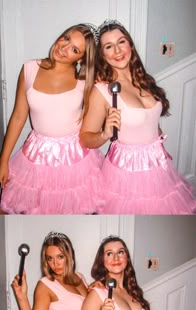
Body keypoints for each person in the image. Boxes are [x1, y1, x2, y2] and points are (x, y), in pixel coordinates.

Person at [0, 24, 104, 214]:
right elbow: (17, 118)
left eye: (74, 49)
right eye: (66, 39)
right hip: (35, 155)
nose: (64, 48)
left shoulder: (85, 80)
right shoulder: (29, 69)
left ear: (81, 58)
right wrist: (4, 161)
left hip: (74, 159)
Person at [80, 19, 196, 214]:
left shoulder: (143, 78)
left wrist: (160, 147)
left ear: (130, 45)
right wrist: (104, 134)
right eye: (109, 46)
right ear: (103, 55)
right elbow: (85, 138)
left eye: (121, 42)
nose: (117, 51)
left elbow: (150, 119)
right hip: (126, 171)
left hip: (157, 164)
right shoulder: (102, 90)